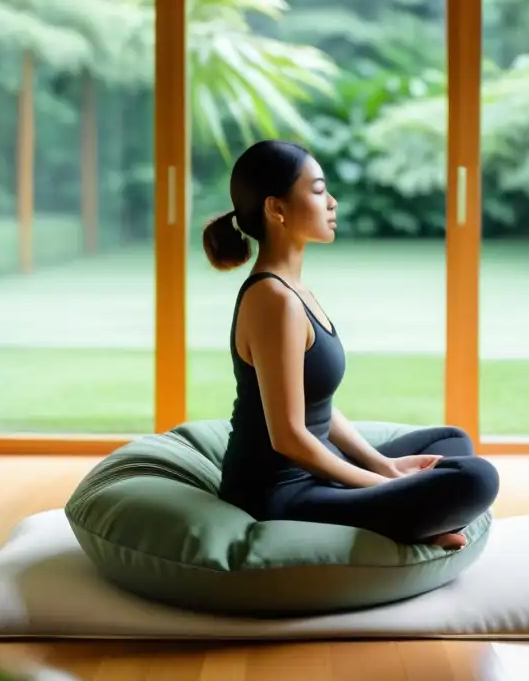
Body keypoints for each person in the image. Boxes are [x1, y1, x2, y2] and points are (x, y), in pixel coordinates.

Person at [203, 139, 500, 550]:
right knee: (477, 479)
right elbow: (288, 437)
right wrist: (382, 483)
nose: (333, 202)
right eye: (320, 190)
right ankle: (404, 521)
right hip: (280, 494)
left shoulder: (293, 290)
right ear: (276, 209)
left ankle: (403, 515)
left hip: (321, 468)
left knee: (451, 441)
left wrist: (386, 465)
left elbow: (314, 404)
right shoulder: (272, 300)